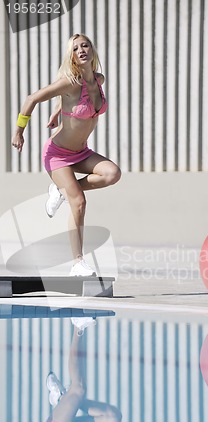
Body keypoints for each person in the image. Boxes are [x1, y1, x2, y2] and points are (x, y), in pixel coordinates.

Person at [11, 34, 121, 277]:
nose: (81, 50)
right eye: (75, 48)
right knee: (79, 202)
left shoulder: (98, 80)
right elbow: (32, 98)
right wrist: (19, 130)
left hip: (81, 152)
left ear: (92, 50)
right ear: (71, 56)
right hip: (58, 155)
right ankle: (77, 263)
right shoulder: (69, 81)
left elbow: (69, 102)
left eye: (85, 45)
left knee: (112, 173)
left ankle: (61, 191)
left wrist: (57, 111)